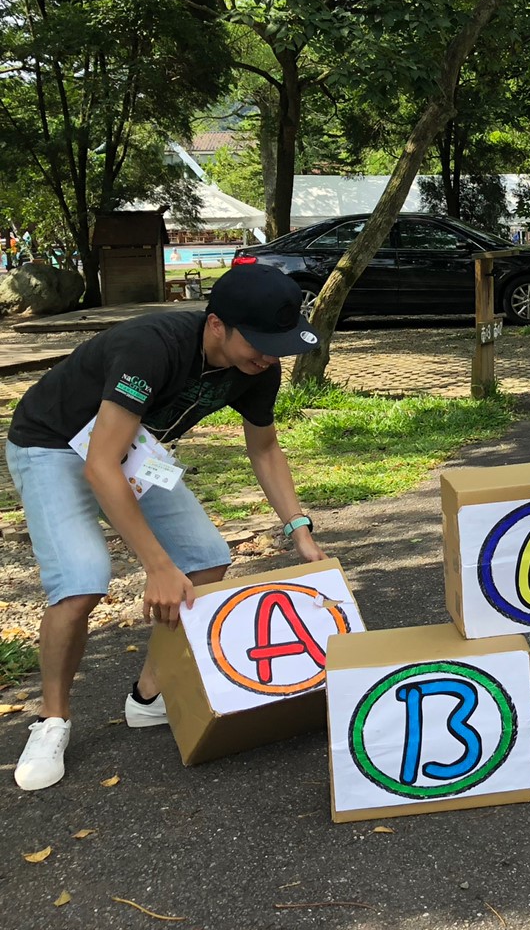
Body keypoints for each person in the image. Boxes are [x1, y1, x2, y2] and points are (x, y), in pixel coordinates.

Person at [5, 264, 325, 792]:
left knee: (205, 558)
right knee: (82, 580)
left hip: (129, 446)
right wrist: (156, 565)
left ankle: (150, 695)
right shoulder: (150, 346)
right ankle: (52, 720)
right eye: (261, 342)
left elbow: (264, 448)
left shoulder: (258, 370)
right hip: (52, 443)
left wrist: (299, 529)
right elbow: (99, 465)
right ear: (218, 324)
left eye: (280, 344)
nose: (270, 356)